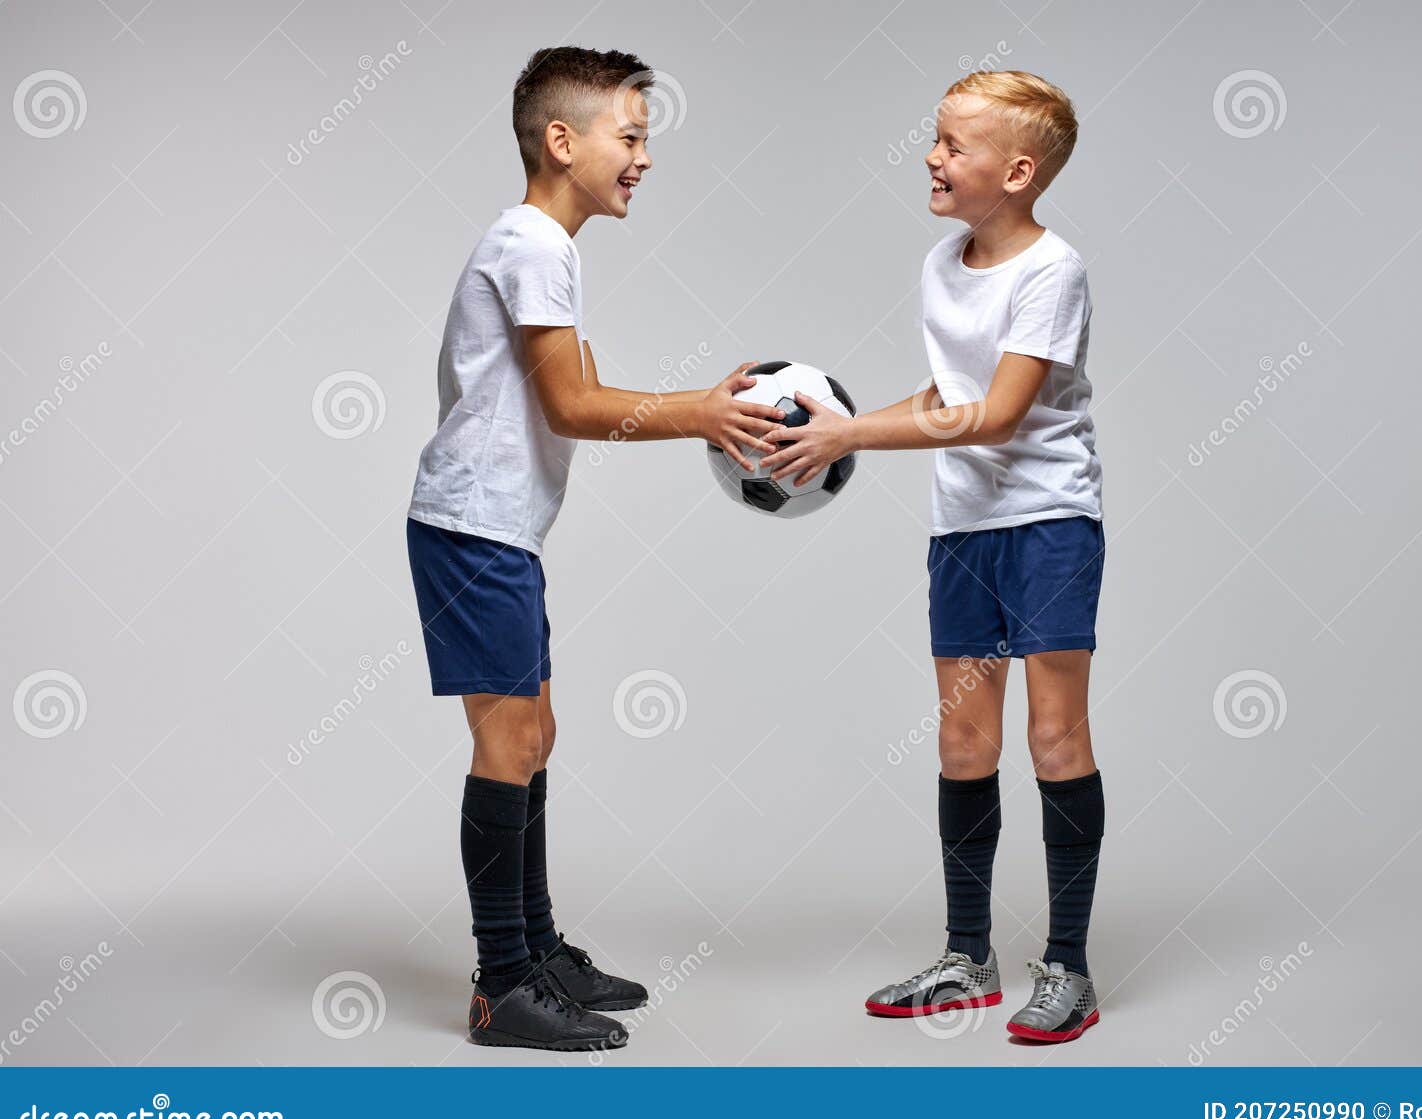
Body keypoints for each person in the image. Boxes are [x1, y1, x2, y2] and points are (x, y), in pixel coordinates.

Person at [404, 45, 784, 1051]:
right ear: (562, 140)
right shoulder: (533, 242)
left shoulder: (543, 248)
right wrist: (703, 411)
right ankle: (501, 984)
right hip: (470, 527)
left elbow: (578, 390)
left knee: (537, 733)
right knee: (510, 741)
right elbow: (573, 406)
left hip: (494, 529)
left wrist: (689, 410)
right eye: (631, 135)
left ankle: (534, 950)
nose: (643, 157)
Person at [761, 70, 1105, 1043]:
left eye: (954, 144)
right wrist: (845, 423)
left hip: (1048, 525)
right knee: (963, 744)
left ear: (1018, 170)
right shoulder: (938, 263)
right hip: (961, 530)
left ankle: (1069, 967)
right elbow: (944, 392)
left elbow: (997, 416)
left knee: (1053, 740)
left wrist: (849, 439)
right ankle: (969, 956)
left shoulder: (1053, 271)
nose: (932, 156)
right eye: (935, 137)